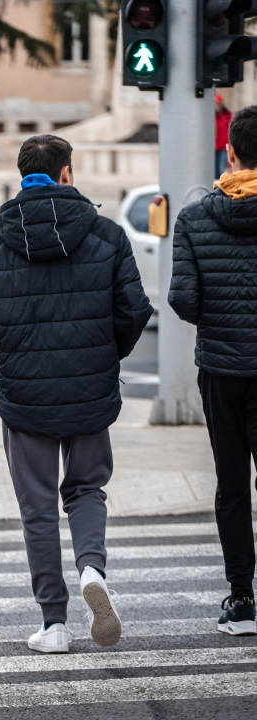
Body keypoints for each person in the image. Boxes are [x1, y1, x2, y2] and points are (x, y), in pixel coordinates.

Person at [0, 134, 152, 654]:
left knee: (38, 507)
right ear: (67, 174)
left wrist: (3, 359)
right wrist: (105, 354)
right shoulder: (108, 235)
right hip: (90, 388)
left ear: (22, 176)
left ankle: (54, 625)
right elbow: (134, 308)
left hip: (24, 395)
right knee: (87, 488)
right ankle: (93, 568)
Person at [169, 105, 257, 636]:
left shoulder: (195, 218)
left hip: (222, 368)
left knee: (231, 484)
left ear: (229, 152)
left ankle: (242, 600)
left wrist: (221, 316)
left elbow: (183, 300)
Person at [216, 95, 233, 178]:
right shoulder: (212, 116)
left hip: (223, 145)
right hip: (213, 146)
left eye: (218, 104)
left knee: (221, 168)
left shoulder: (227, 115)